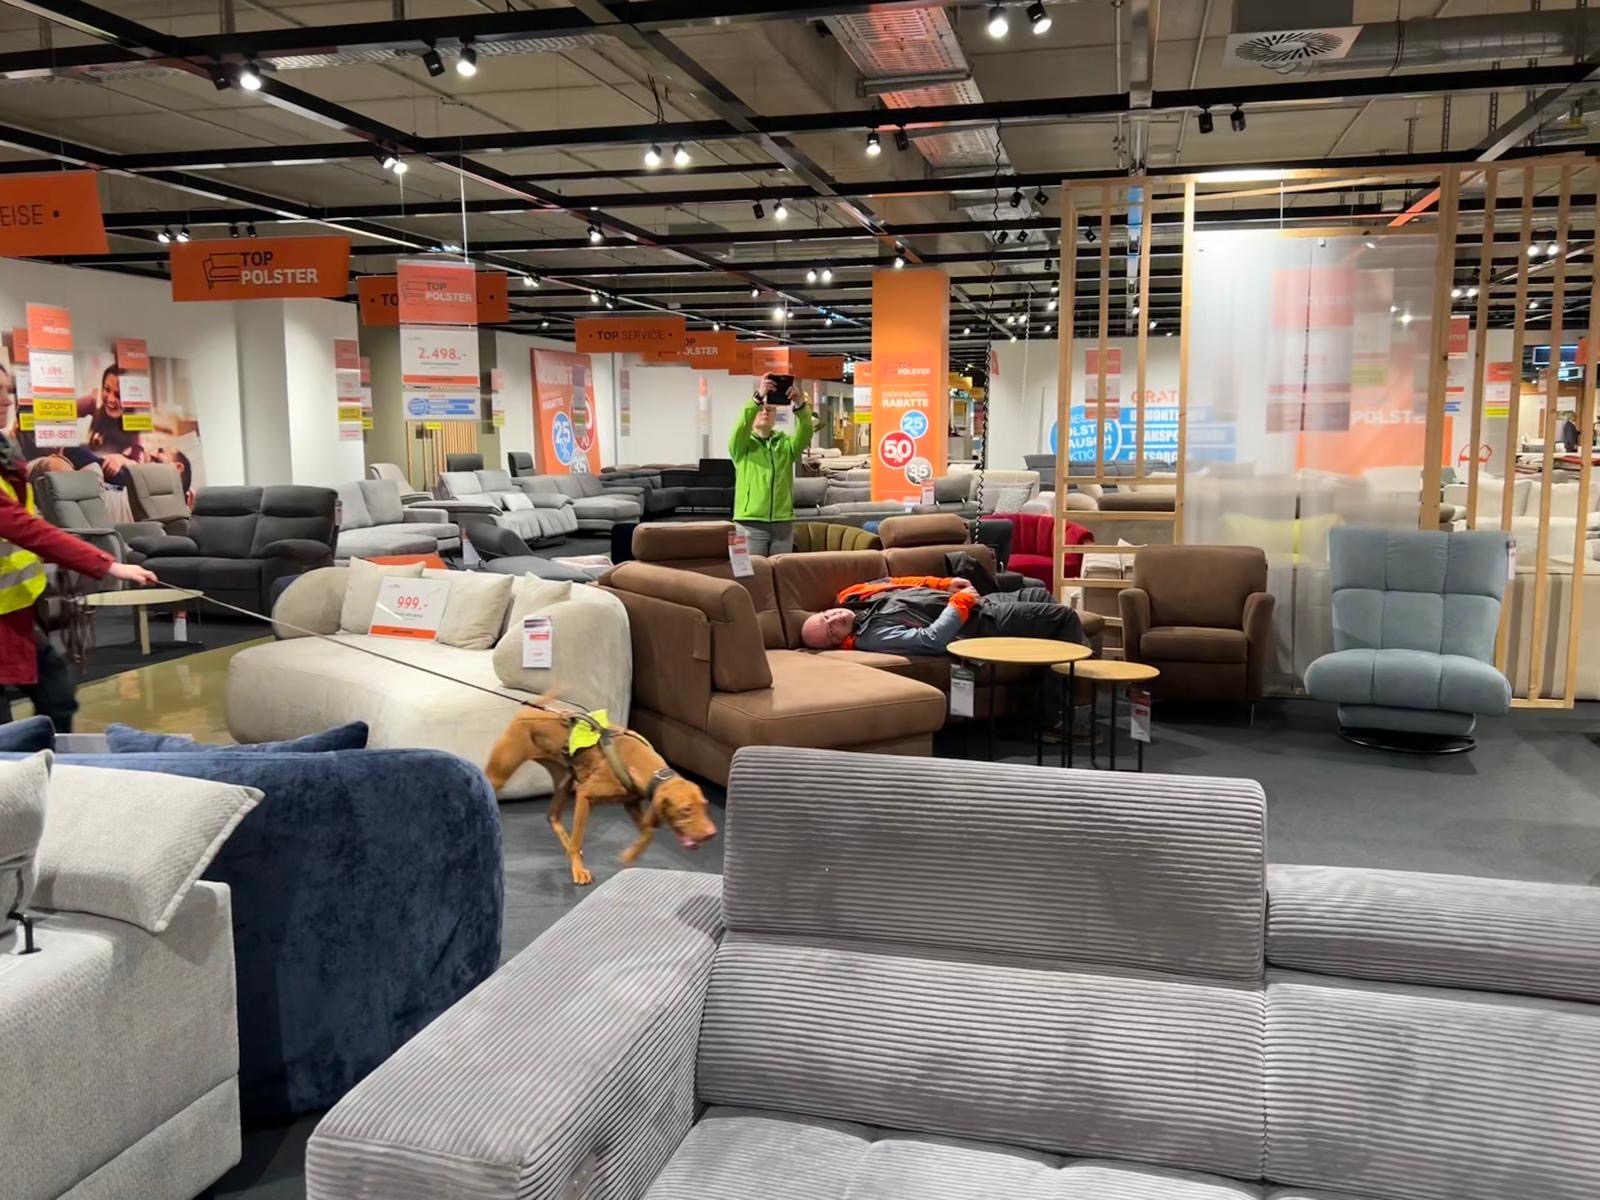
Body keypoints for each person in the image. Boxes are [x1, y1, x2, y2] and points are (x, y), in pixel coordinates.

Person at [0, 395, 158, 730]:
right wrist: (109, 564)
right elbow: (23, 527)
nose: (4, 399)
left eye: (6, 389)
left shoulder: (6, 453)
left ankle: (52, 758)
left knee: (58, 698)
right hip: (6, 612)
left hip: (16, 609)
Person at [801, 574, 1088, 655]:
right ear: (838, 642)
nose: (834, 619)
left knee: (1038, 594)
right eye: (830, 631)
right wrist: (960, 603)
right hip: (978, 624)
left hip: (979, 603)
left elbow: (897, 582)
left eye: (826, 616)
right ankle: (1057, 715)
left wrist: (942, 583)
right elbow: (932, 639)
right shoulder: (872, 635)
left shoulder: (853, 597)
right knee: (1065, 617)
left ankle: (1055, 679)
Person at [729, 373, 814, 556]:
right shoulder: (741, 446)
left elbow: (807, 429)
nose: (765, 412)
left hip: (782, 524)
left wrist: (799, 404)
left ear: (776, 416)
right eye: (761, 409)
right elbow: (740, 427)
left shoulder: (786, 445)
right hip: (748, 523)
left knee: (782, 571)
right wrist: (757, 398)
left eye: (770, 410)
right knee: (748, 570)